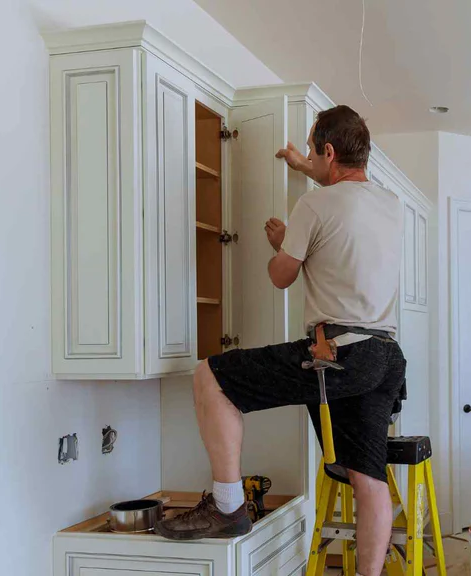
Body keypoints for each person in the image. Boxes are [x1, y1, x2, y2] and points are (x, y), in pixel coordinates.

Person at [157, 105, 406, 576]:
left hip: (339, 352)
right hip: (385, 355)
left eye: (314, 151)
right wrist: (305, 167)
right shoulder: (389, 204)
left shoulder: (314, 206)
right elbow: (342, 208)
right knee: (368, 477)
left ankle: (228, 507)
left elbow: (280, 277)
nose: (310, 157)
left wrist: (282, 245)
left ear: (328, 152)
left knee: (212, 376)